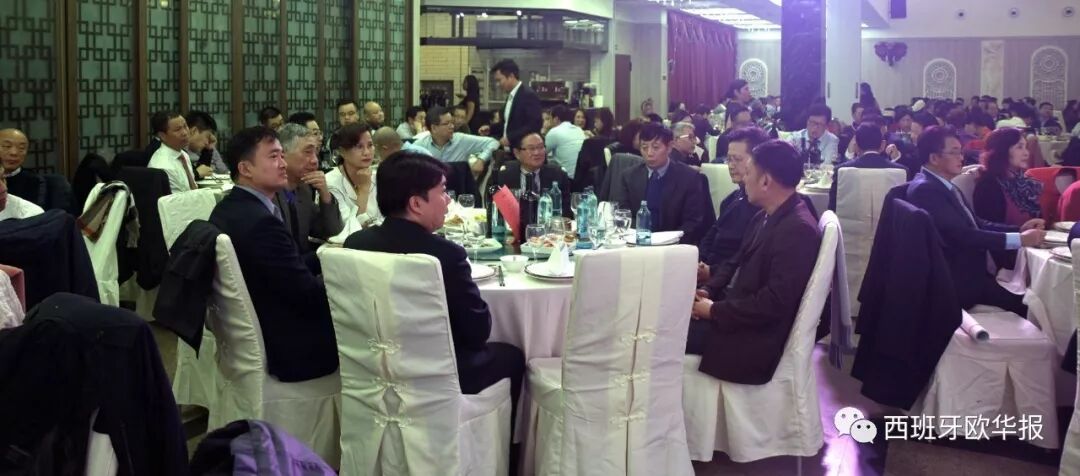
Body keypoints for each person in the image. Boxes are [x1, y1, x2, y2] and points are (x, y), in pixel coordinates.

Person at [343, 151, 525, 410]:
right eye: (442, 191)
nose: (448, 200)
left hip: (375, 369)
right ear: (416, 204)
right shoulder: (445, 255)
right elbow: (476, 332)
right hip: (441, 374)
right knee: (513, 356)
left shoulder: (355, 244)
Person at [686, 139, 822, 384]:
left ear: (766, 181)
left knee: (664, 332)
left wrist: (714, 311)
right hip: (735, 311)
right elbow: (735, 262)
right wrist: (707, 290)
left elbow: (774, 303)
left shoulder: (797, 229)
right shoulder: (765, 215)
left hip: (751, 337)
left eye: (748, 172)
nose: (744, 179)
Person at [209, 126, 338, 383]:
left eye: (282, 155)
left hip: (260, 323)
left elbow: (284, 265)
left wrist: (329, 257)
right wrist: (346, 279)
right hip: (289, 345)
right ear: (245, 169)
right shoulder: (261, 224)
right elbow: (307, 295)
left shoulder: (229, 208)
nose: (283, 164)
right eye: (273, 157)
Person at [904, 126, 1045, 316]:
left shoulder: (941, 184)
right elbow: (963, 235)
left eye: (961, 152)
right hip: (960, 281)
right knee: (1034, 304)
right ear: (934, 158)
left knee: (1034, 294)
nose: (961, 158)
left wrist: (1018, 230)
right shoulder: (926, 190)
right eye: (954, 152)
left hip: (969, 273)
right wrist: (1019, 240)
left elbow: (976, 222)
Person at [611, 122, 709, 245]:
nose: (649, 153)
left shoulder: (689, 178)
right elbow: (622, 213)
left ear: (669, 147)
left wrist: (668, 242)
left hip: (674, 245)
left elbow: (693, 222)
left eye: (656, 147)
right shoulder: (629, 176)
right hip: (636, 243)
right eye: (644, 147)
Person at [696, 127, 769, 282]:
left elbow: (746, 257)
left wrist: (712, 272)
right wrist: (699, 262)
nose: (731, 165)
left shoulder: (763, 206)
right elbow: (711, 235)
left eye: (737, 159)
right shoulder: (731, 199)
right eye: (729, 159)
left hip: (729, 282)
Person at [271, 123, 343, 258]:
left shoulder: (303, 189)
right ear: (282, 154)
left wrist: (325, 195)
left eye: (316, 152)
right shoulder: (269, 193)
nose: (315, 161)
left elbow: (331, 231)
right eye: (307, 152)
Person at [828, 123, 908, 210]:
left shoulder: (841, 170)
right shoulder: (902, 171)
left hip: (848, 219)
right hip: (889, 219)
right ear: (882, 145)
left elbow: (832, 209)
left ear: (856, 147)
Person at [972, 127, 1043, 226]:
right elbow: (989, 227)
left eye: (1026, 147)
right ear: (1002, 150)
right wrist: (1021, 230)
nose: (1026, 153)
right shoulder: (988, 185)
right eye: (1019, 147)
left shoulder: (1024, 182)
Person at [494, 132, 572, 217]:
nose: (537, 152)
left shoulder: (558, 174)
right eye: (531, 148)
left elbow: (566, 212)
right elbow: (496, 210)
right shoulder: (504, 174)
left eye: (541, 147)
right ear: (517, 153)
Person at [326, 124, 381, 240]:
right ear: (342, 151)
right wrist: (364, 190)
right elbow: (349, 229)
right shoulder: (330, 182)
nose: (366, 152)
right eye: (359, 146)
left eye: (370, 145)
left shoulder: (379, 177)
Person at [413, 106, 499, 174]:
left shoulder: (461, 140)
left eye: (452, 122)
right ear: (434, 128)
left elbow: (493, 142)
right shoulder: (420, 146)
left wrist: (481, 160)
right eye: (447, 123)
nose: (452, 126)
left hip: (457, 188)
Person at [491, 59, 542, 149]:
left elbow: (534, 125)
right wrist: (490, 129)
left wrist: (511, 138)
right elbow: (508, 124)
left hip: (523, 151)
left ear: (511, 76)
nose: (498, 84)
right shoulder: (511, 96)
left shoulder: (528, 95)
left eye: (499, 80)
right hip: (510, 150)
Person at [147, 111, 198, 193]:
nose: (185, 133)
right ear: (162, 136)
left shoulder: (183, 154)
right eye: (178, 130)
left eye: (185, 126)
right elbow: (177, 198)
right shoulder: (163, 165)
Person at [0, 128, 44, 206]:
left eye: (21, 148)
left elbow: (33, 211)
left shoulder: (34, 181)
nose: (14, 153)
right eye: (7, 146)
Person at [544, 105, 587, 179]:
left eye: (550, 119)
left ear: (556, 119)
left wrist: (545, 130)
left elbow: (541, 153)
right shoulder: (579, 130)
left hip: (567, 179)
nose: (549, 122)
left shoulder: (554, 131)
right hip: (583, 177)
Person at [185, 110, 226, 176]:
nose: (207, 142)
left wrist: (208, 150)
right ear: (194, 131)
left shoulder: (204, 147)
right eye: (207, 136)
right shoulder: (178, 150)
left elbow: (222, 171)